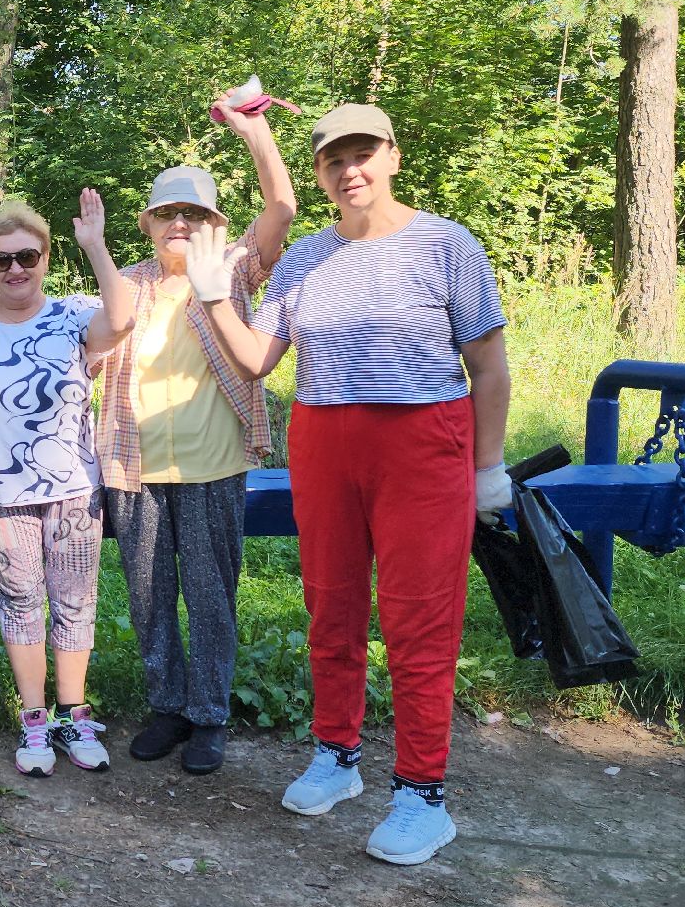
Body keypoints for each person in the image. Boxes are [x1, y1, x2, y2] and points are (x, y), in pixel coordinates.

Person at [186, 103, 511, 866]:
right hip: (325, 441)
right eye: (334, 160)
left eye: (363, 153)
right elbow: (256, 361)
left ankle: (422, 795)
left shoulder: (446, 244)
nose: (349, 169)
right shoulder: (303, 259)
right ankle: (337, 754)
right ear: (323, 173)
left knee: (417, 621)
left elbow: (489, 365)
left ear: (393, 155)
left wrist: (487, 468)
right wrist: (210, 295)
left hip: (422, 441)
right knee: (330, 607)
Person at [95, 90, 296, 776]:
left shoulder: (233, 269)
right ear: (150, 224)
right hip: (135, 467)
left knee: (211, 596)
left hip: (214, 465)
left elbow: (283, 209)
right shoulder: (127, 282)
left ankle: (210, 715)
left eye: (193, 212)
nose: (179, 223)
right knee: (150, 597)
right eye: (167, 213)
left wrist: (254, 131)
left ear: (213, 221)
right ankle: (167, 707)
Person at [0, 192, 133, 778]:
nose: (15, 270)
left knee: (76, 603)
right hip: (0, 494)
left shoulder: (72, 313)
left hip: (73, 489)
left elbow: (123, 320)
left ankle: (73, 714)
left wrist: (97, 247)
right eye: (1, 260)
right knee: (20, 604)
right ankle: (34, 720)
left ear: (46, 259)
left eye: (27, 257)